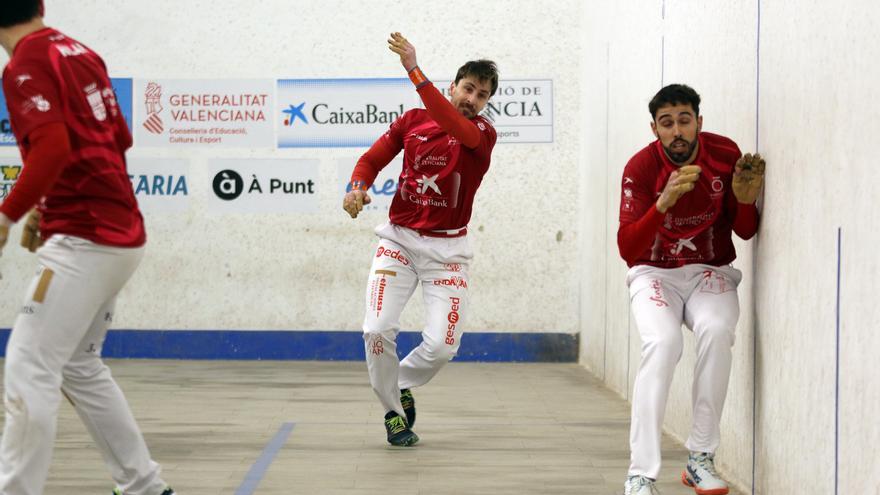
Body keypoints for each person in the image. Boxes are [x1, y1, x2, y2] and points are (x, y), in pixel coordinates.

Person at [0, 2, 174, 494]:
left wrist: (8, 214)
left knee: (28, 366)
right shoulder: (80, 52)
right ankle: (144, 485)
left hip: (85, 240)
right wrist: (44, 208)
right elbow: (117, 137)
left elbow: (53, 147)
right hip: (119, 234)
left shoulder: (25, 64)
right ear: (40, 5)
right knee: (77, 364)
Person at [342, 32, 498, 446]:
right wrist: (358, 185)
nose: (472, 98)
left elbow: (452, 122)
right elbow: (371, 159)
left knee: (443, 346)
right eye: (468, 88)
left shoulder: (480, 136)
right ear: (453, 86)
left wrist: (413, 68)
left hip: (448, 253)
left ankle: (400, 384)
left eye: (482, 95)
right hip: (399, 243)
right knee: (376, 331)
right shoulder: (411, 121)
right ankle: (393, 414)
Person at [617, 84, 764, 495]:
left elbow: (745, 231)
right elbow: (628, 248)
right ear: (655, 129)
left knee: (717, 332)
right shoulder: (640, 168)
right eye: (667, 124)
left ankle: (700, 458)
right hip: (653, 273)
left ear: (699, 121)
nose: (677, 131)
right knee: (662, 344)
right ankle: (640, 474)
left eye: (684, 120)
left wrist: (746, 202)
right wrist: (661, 204)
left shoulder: (724, 154)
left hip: (709, 271)